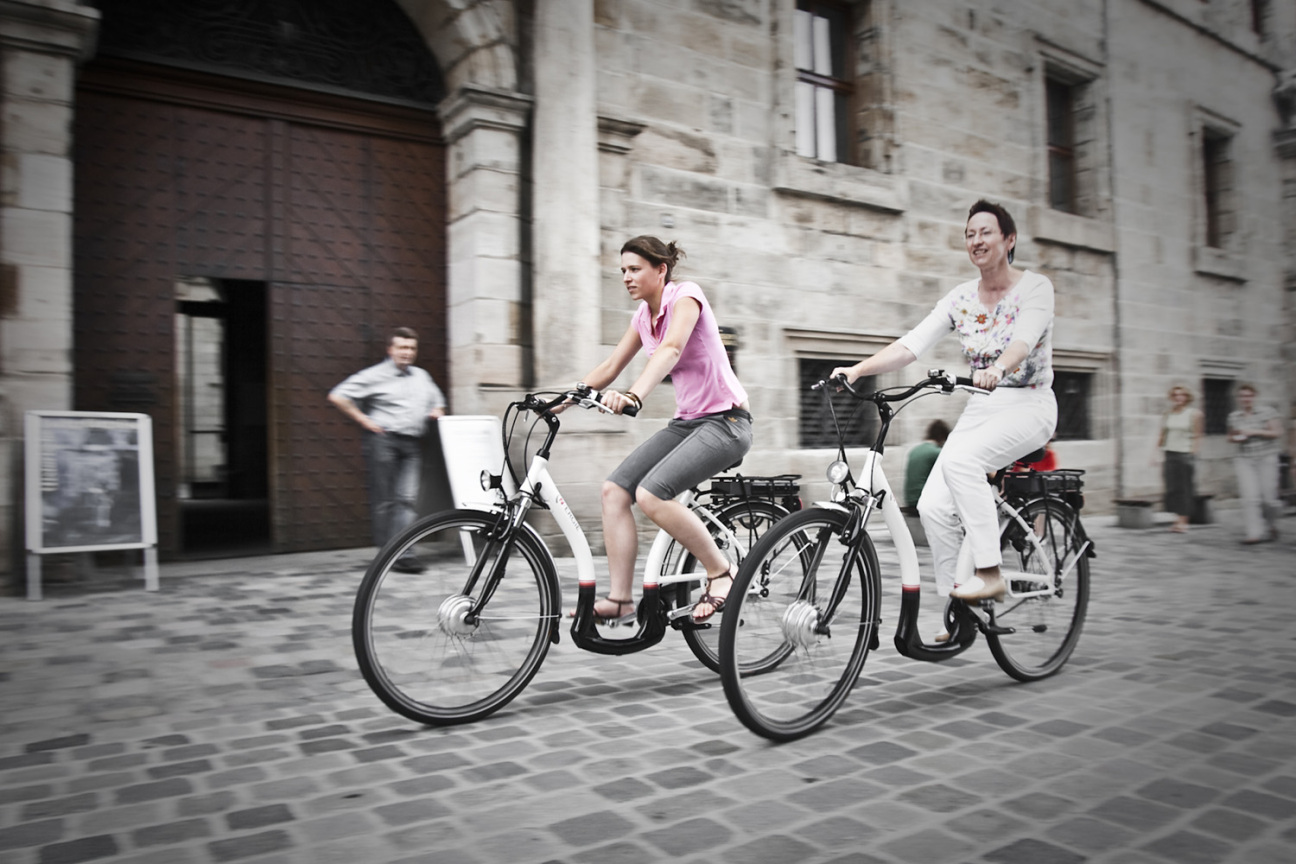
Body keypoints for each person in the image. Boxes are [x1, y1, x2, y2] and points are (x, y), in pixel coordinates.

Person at [832, 199, 1056, 616]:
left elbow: (1024, 340)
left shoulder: (1035, 288)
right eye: (970, 234)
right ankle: (959, 607)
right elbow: (911, 345)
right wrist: (858, 370)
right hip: (982, 407)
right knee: (932, 506)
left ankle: (989, 571)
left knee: (962, 462)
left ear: (1009, 240)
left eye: (985, 232)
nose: (976, 241)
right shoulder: (960, 299)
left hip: (1030, 403)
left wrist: (999, 367)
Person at [574, 236, 752, 623]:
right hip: (687, 423)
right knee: (614, 491)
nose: (626, 277)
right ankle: (621, 601)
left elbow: (671, 348)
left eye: (635, 269)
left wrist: (633, 395)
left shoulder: (685, 296)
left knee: (651, 494)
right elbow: (610, 367)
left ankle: (721, 572)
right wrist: (563, 398)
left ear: (661, 270)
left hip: (727, 421)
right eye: (623, 270)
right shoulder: (642, 317)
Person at [329, 327, 447, 572]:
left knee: (406, 500)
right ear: (390, 349)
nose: (407, 352)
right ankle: (387, 555)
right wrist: (363, 420)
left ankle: (404, 555)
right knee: (385, 501)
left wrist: (437, 411)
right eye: (402, 347)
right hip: (383, 442)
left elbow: (438, 402)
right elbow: (338, 396)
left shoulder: (421, 376)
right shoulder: (374, 375)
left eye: (411, 348)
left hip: (412, 445)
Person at [1227, 383, 1282, 544]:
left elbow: (1277, 432)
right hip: (1244, 459)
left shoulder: (1267, 412)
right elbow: (1230, 437)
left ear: (1254, 396)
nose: (1246, 399)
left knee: (1269, 499)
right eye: (1242, 396)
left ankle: (1271, 524)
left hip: (1266, 457)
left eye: (1249, 396)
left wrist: (1254, 432)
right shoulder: (1234, 416)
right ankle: (1253, 533)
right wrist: (1237, 438)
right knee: (1250, 498)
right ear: (1238, 398)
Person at [1154, 385, 1203, 534]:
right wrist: (1155, 453)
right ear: (1171, 397)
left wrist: (1192, 453)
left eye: (1182, 395)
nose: (1178, 398)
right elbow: (1162, 434)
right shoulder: (1167, 414)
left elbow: (1197, 435)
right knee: (1172, 488)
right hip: (1169, 453)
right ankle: (1177, 519)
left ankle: (1184, 522)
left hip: (1184, 454)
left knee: (1184, 488)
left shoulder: (1194, 414)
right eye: (1175, 395)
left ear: (1187, 397)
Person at [903, 419, 952, 510]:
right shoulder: (936, 452)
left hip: (910, 502)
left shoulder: (914, 450)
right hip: (924, 503)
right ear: (941, 436)